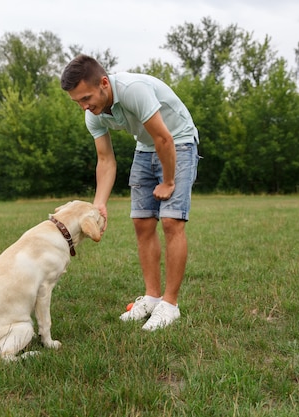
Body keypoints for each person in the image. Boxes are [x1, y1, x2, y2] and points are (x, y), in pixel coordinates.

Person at [60, 55, 199, 331]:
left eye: (86, 98)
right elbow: (106, 160)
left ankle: (169, 305)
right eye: (77, 102)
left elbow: (164, 138)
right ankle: (151, 297)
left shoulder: (133, 90)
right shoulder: (93, 115)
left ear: (103, 83)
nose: (84, 107)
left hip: (178, 142)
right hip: (146, 148)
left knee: (172, 222)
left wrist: (169, 182)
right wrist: (99, 205)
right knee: (142, 223)